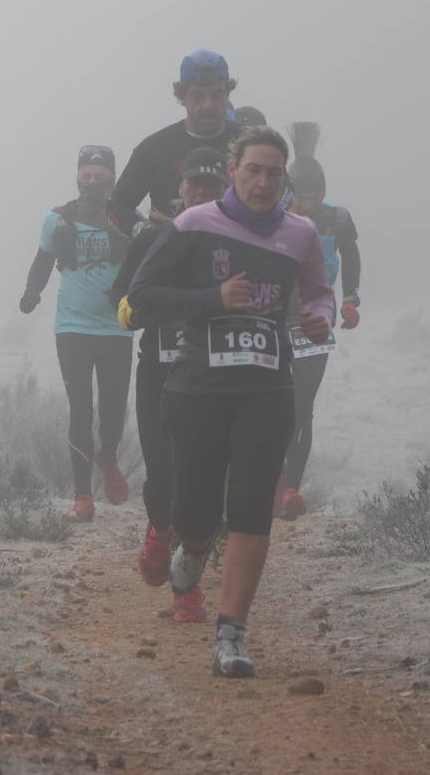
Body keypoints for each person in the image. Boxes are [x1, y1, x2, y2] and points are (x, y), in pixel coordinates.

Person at [127, 126, 333, 678]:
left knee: (249, 508)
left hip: (267, 386)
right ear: (233, 169)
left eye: (274, 173)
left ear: (284, 178)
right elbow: (142, 296)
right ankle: (192, 546)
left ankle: (230, 637)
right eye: (253, 170)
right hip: (196, 388)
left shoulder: (301, 233)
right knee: (195, 512)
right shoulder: (195, 225)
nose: (263, 182)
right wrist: (211, 299)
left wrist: (321, 319)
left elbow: (317, 291)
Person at [111, 147, 229, 623]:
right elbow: (119, 296)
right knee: (162, 471)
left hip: (215, 374)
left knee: (204, 482)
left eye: (212, 186)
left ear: (227, 189)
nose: (202, 193)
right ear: (180, 190)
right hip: (159, 371)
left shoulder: (235, 243)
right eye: (194, 185)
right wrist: (135, 312)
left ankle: (187, 591)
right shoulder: (151, 240)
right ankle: (159, 531)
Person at [20, 145, 134, 521]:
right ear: (77, 177)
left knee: (113, 407)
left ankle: (109, 456)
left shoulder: (128, 219)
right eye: (86, 175)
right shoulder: (58, 219)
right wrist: (32, 292)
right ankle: (82, 497)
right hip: (72, 328)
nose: (92, 182)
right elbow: (42, 260)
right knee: (81, 409)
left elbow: (149, 260)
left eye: (100, 177)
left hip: (116, 328)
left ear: (112, 180)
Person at [277, 122, 363, 519]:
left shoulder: (338, 219)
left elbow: (351, 258)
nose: (311, 204)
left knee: (302, 406)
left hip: (316, 322)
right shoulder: (272, 218)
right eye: (304, 197)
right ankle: (269, 480)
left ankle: (290, 487)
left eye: (318, 196)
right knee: (272, 402)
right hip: (273, 323)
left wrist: (350, 299)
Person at [107, 49, 243, 236]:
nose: (208, 104)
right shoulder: (154, 148)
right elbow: (117, 206)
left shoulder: (247, 144)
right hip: (171, 257)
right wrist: (145, 233)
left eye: (216, 95)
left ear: (227, 94)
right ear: (182, 97)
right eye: (197, 96)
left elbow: (279, 193)